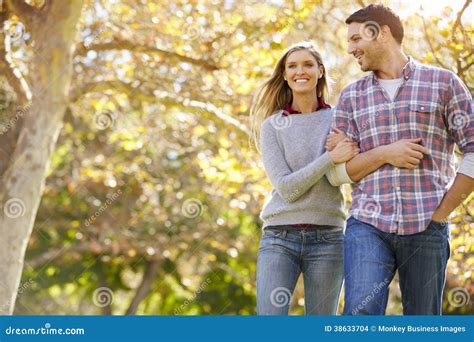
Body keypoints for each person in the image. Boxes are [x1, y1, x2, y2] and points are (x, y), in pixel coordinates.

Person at [325, 4, 474, 315]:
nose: (351, 49)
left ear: (381, 33)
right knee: (359, 317)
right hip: (368, 223)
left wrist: (442, 213)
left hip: (427, 225)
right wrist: (384, 153)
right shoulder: (351, 97)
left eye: (355, 40)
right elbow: (338, 174)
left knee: (422, 321)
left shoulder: (443, 84)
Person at [250, 41, 359, 315]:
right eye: (293, 66)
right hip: (279, 237)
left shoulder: (338, 119)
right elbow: (287, 189)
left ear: (320, 71)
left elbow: (346, 173)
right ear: (285, 75)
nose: (301, 71)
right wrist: (329, 158)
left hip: (329, 237)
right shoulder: (273, 125)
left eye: (308, 64)